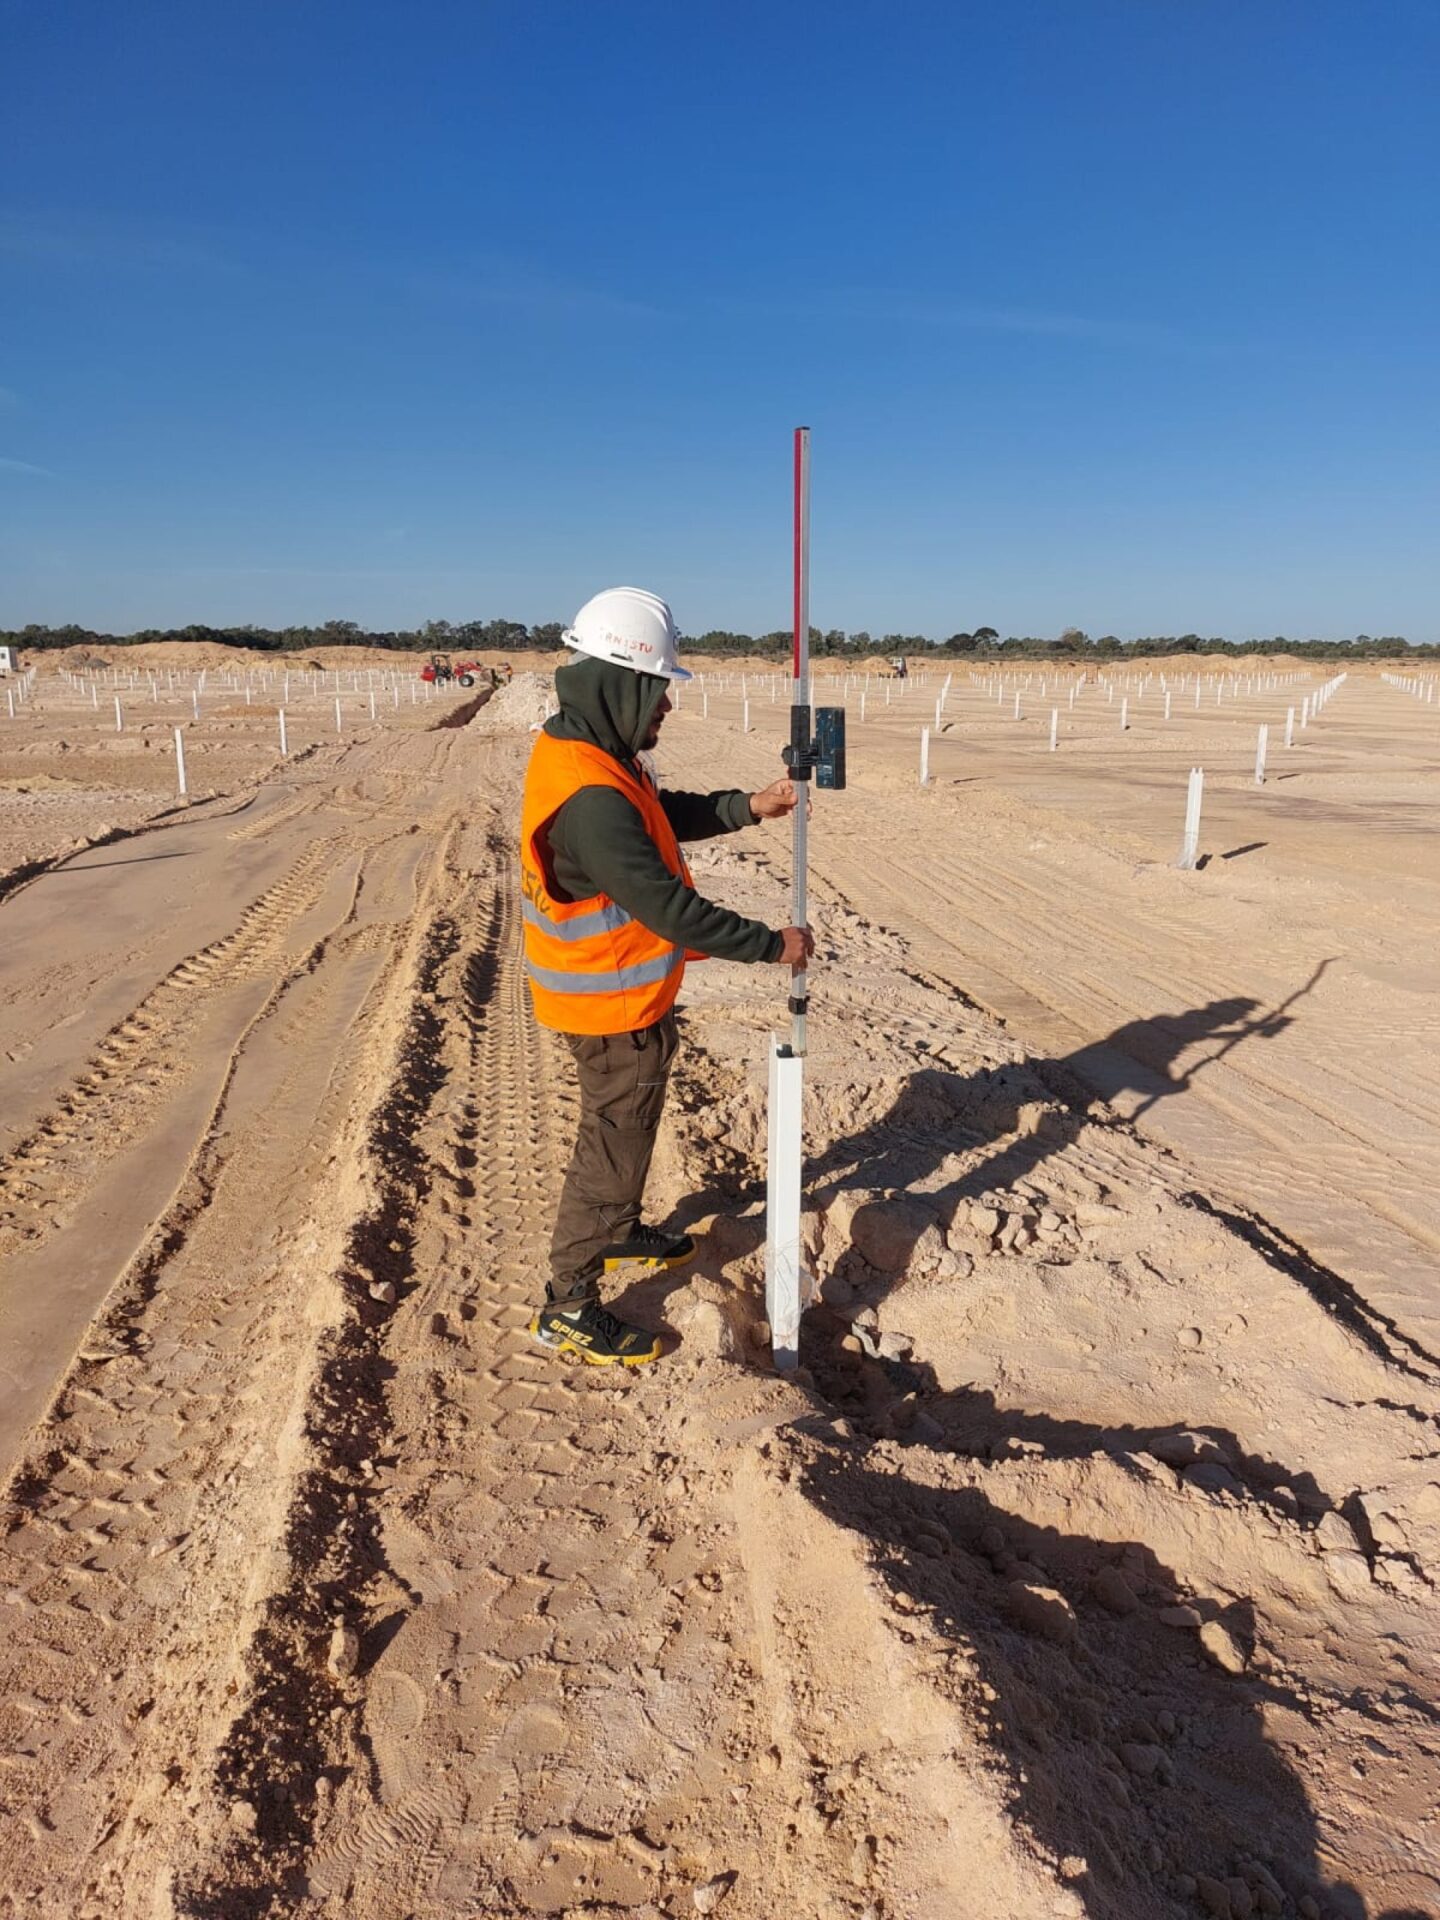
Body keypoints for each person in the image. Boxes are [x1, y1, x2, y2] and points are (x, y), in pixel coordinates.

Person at [520, 586, 814, 1366]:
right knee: (608, 1148)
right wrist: (773, 946)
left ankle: (619, 1230)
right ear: (622, 685)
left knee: (629, 1129)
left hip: (624, 996)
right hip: (607, 1006)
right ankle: (569, 1304)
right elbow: (671, 909)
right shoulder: (589, 795)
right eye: (658, 691)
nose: (667, 708)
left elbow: (657, 814)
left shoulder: (591, 750)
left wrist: (746, 806)